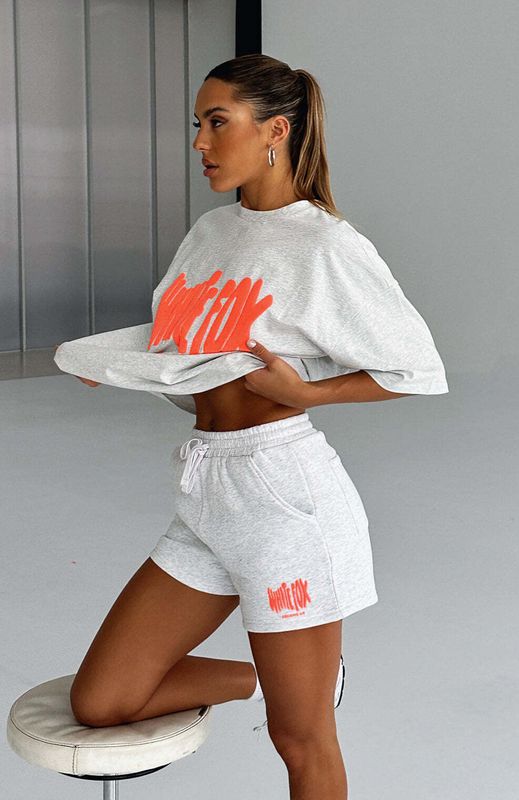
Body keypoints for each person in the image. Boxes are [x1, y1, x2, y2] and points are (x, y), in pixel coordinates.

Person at [54, 54, 448, 799]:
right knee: (102, 702)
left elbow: (416, 369)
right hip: (206, 488)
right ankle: (279, 679)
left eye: (216, 122)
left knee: (300, 740)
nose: (199, 143)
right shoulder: (210, 233)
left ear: (275, 130)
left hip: (282, 497)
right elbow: (186, 351)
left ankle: (299, 694)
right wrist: (123, 365)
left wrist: (308, 391)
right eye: (196, 125)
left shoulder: (325, 245)